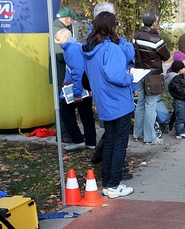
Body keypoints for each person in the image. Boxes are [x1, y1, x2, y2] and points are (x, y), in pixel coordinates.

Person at [82, 11, 134, 199]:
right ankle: (113, 184)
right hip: (117, 101)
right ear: (112, 27)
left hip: (103, 101)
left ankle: (108, 182)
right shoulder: (110, 49)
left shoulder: (89, 49)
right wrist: (129, 77)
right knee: (119, 143)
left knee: (110, 142)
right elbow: (115, 75)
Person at [54, 28, 97, 151]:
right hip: (83, 85)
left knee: (65, 111)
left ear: (66, 38)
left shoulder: (71, 49)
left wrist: (77, 92)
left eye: (58, 39)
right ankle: (90, 141)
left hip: (77, 86)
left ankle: (77, 139)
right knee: (85, 113)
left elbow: (77, 71)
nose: (57, 42)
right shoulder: (75, 47)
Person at [132, 12, 171, 145]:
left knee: (141, 104)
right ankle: (149, 137)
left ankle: (137, 133)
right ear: (153, 23)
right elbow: (166, 56)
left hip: (138, 73)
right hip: (153, 76)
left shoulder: (136, 36)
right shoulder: (156, 39)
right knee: (150, 105)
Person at [50, 7, 77, 143]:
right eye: (70, 18)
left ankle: (65, 131)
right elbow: (59, 55)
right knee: (63, 103)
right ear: (66, 18)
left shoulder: (57, 27)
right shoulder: (58, 31)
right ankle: (63, 133)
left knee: (65, 103)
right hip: (60, 73)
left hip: (62, 72)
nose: (71, 20)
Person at [165, 61, 185, 139]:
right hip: (179, 101)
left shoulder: (179, 77)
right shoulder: (176, 79)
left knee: (182, 116)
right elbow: (180, 91)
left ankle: (183, 129)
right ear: (179, 70)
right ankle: (180, 132)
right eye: (183, 68)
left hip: (183, 100)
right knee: (180, 117)